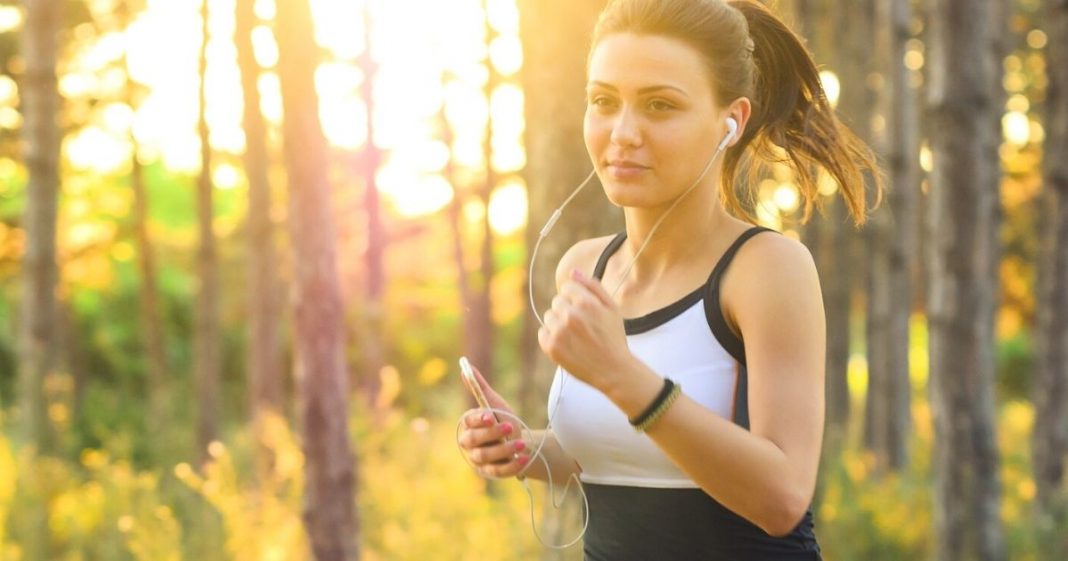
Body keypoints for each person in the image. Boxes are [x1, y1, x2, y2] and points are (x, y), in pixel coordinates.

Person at [458, 0, 881, 558]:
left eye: (660, 105)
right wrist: (527, 450)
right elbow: (622, 456)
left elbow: (782, 497)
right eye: (604, 101)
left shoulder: (766, 269)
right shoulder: (584, 269)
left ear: (732, 122)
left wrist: (621, 376)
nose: (623, 133)